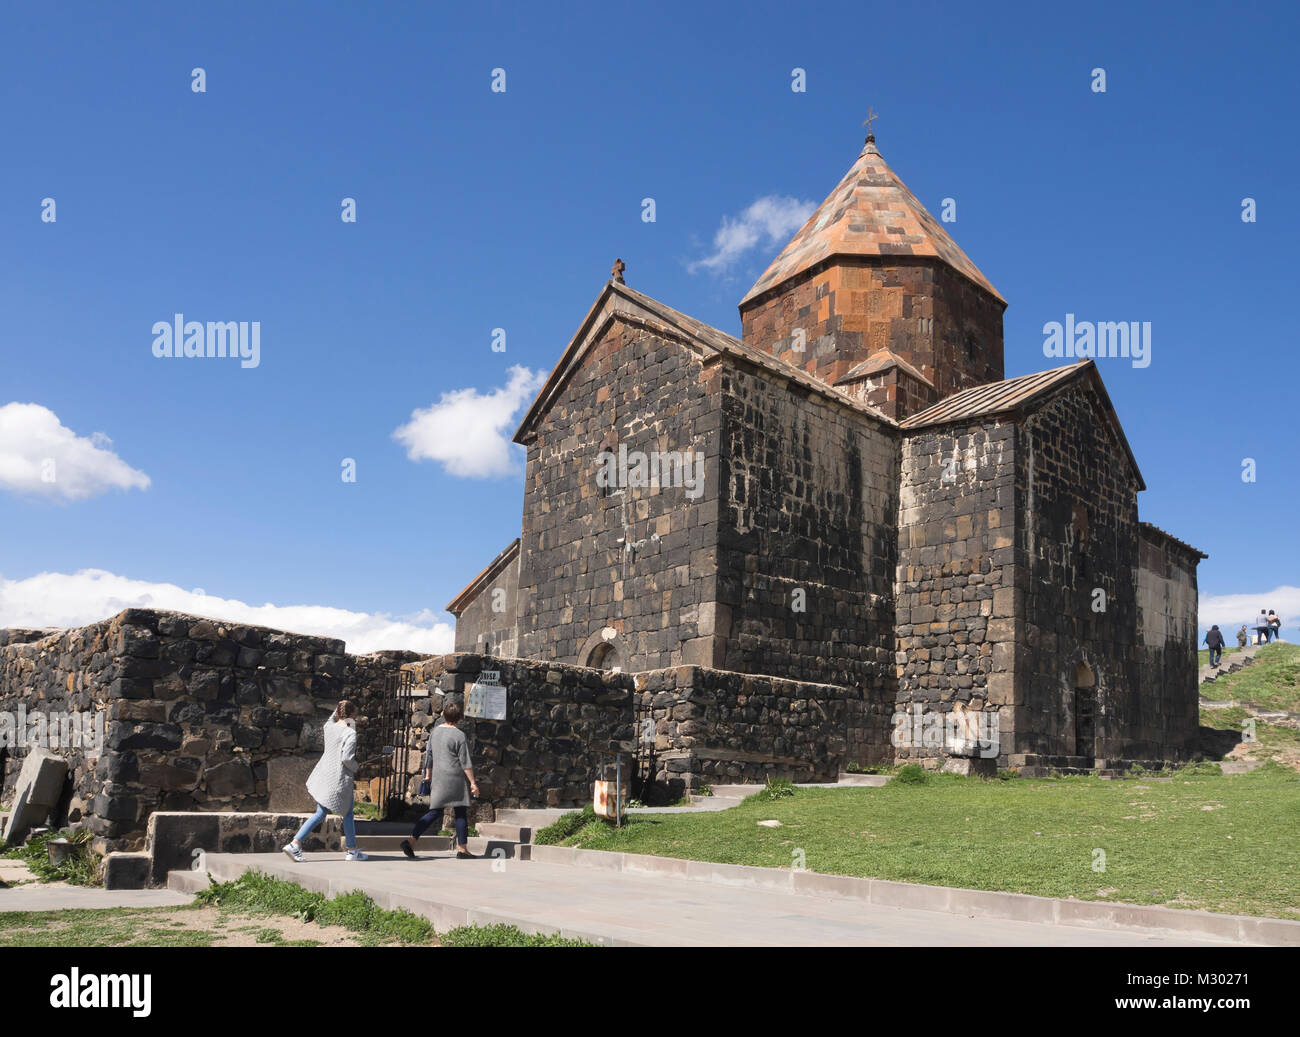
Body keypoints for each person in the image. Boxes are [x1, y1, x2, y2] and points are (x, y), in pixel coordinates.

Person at [282, 700, 368, 862]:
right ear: (351, 715)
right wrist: (356, 766)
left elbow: (332, 719)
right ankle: (350, 851)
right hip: (339, 778)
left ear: (337, 713)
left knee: (323, 813)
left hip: (324, 776)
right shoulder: (350, 733)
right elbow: (347, 759)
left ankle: (297, 844)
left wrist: (339, 706)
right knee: (346, 814)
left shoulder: (329, 727)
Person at [401, 699, 478, 860]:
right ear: (459, 717)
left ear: (444, 715)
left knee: (434, 812)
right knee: (461, 812)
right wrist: (472, 783)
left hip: (438, 776)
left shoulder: (435, 732)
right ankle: (462, 849)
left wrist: (428, 774)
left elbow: (428, 755)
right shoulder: (459, 735)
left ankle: (411, 840)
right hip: (455, 778)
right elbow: (465, 762)